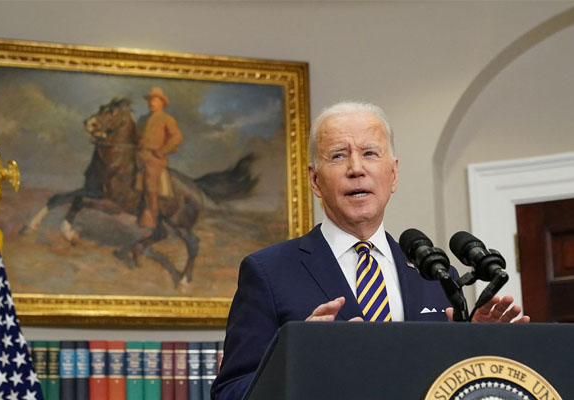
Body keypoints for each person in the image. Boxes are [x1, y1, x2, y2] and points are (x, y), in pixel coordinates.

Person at [210, 101, 529, 400]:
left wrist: (479, 346)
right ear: (315, 180)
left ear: (393, 173)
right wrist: (297, 358)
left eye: (370, 154)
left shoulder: (436, 273)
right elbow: (229, 392)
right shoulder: (268, 272)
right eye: (338, 156)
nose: (356, 168)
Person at [136, 87, 184, 229]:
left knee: (150, 179)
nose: (152, 102)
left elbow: (177, 137)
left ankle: (151, 216)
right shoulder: (142, 119)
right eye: (150, 100)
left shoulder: (167, 119)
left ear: (162, 102)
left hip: (155, 158)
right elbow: (137, 137)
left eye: (155, 100)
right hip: (139, 154)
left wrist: (163, 151)